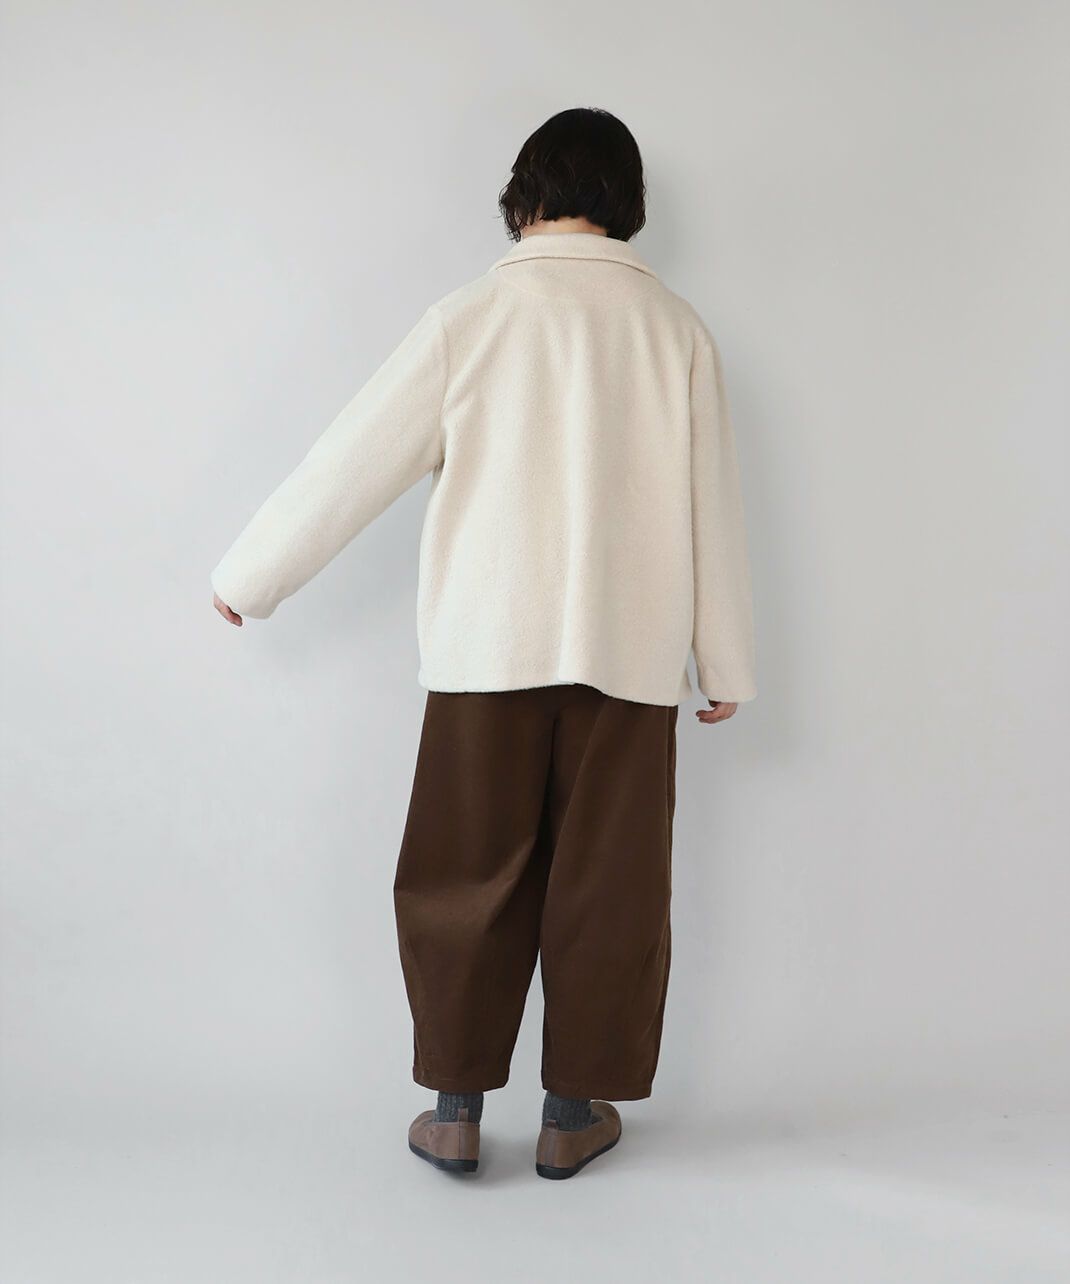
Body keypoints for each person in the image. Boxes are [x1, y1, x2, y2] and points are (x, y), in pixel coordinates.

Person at [211, 106, 756, 1180]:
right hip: (629, 661)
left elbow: (353, 459)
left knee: (462, 874)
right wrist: (724, 658)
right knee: (610, 887)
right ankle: (570, 1114)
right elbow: (712, 506)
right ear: (625, 202)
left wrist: (251, 575)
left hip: (484, 652)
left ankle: (455, 1110)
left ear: (525, 193)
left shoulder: (472, 317)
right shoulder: (675, 330)